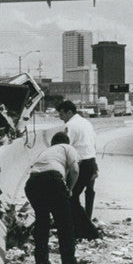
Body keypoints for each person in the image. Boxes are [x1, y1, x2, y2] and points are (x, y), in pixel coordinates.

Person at [23, 131, 85, 264]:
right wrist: (69, 189)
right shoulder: (67, 147)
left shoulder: (45, 152)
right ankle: (69, 262)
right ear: (66, 142)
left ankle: (41, 259)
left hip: (32, 183)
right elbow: (75, 170)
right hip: (53, 180)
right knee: (65, 223)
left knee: (42, 220)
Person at [56, 100, 99, 240]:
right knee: (74, 198)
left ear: (69, 112)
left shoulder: (70, 125)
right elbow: (93, 143)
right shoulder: (86, 123)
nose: (60, 117)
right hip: (91, 162)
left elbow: (65, 147)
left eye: (62, 113)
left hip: (80, 164)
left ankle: (88, 231)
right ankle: (80, 229)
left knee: (71, 198)